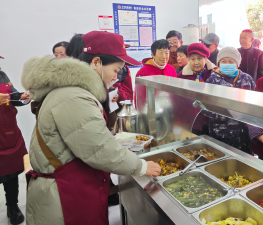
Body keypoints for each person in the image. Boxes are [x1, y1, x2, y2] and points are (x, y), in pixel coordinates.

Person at [22, 31, 161, 225]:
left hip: (65, 188)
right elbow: (99, 150)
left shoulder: (73, 90)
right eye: (116, 69)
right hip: (63, 197)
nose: (117, 76)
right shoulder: (75, 96)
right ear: (96, 62)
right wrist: (141, 166)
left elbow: (83, 138)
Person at [203, 46, 255, 154]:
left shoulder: (247, 79)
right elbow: (203, 106)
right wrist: (225, 114)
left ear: (237, 63)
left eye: (231, 61)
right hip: (221, 133)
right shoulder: (212, 81)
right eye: (223, 61)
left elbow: (256, 102)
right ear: (218, 63)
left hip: (244, 134)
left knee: (244, 163)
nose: (227, 64)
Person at [0, 56, 30, 225]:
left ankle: (13, 207)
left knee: (11, 175)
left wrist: (23, 97)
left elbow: (13, 97)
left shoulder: (2, 75)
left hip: (8, 133)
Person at [177, 43, 216, 135]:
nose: (196, 62)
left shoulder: (214, 73)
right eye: (192, 59)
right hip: (191, 120)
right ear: (188, 60)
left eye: (199, 58)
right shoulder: (182, 76)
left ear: (206, 59)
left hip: (211, 119)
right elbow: (177, 99)